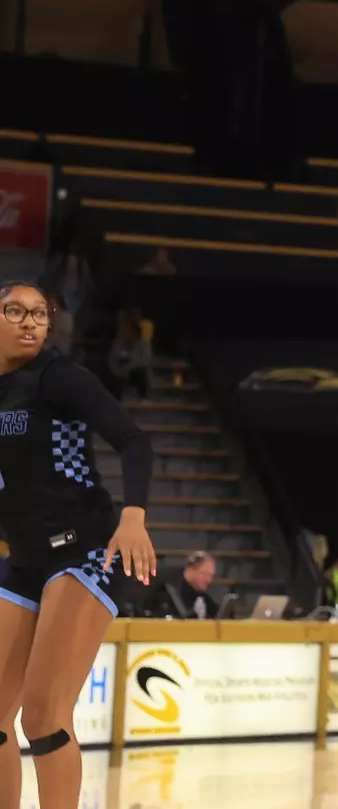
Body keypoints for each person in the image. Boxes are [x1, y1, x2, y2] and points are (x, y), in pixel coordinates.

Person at [0, 281, 156, 809]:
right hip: (22, 558)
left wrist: (133, 516)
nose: (30, 322)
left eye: (39, 313)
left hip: (84, 551)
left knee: (42, 714)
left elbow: (134, 440)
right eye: (15, 311)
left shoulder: (57, 377)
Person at [141, 550, 218, 620]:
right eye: (204, 574)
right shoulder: (167, 589)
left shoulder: (204, 596)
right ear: (190, 570)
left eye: (211, 576)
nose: (208, 580)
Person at [106, 307, 152, 401]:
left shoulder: (143, 343)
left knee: (141, 372)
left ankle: (143, 399)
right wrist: (121, 370)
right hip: (120, 372)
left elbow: (144, 361)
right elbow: (112, 361)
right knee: (110, 377)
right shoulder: (118, 342)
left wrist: (128, 366)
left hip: (134, 372)